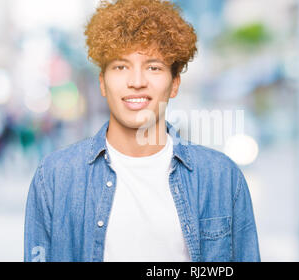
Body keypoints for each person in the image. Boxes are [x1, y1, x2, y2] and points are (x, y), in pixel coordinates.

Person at [24, 0, 260, 262]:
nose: (136, 82)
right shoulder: (55, 178)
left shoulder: (222, 178)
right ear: (102, 83)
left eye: (153, 67)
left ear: (174, 84)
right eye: (121, 67)